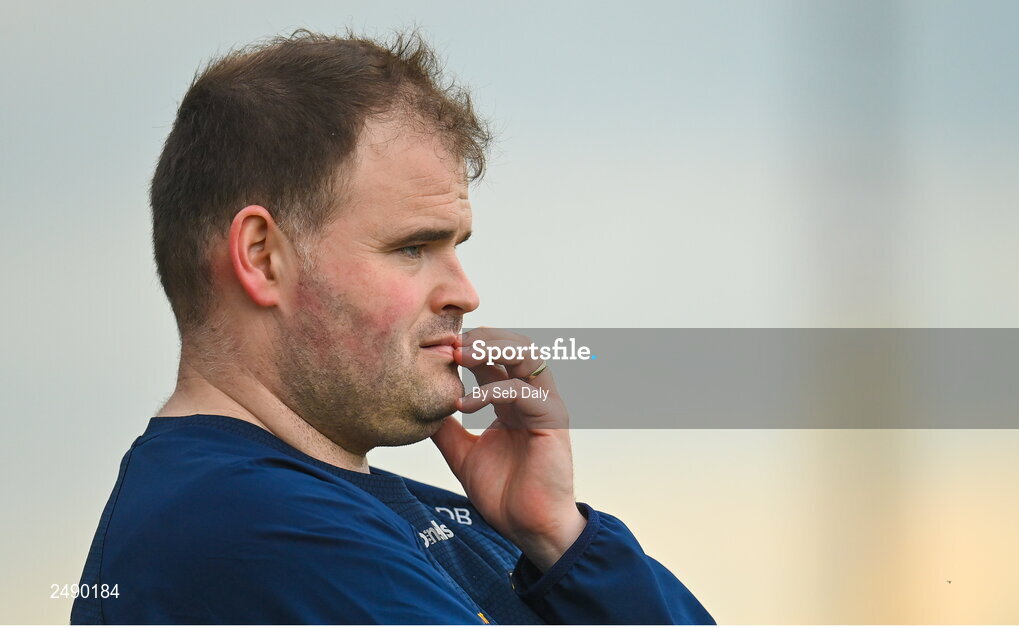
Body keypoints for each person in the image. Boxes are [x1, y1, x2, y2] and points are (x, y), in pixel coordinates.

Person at [71, 30, 715, 625]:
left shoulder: (389, 511)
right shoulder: (252, 527)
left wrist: (557, 537)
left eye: (457, 246)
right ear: (263, 257)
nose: (465, 293)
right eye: (413, 248)